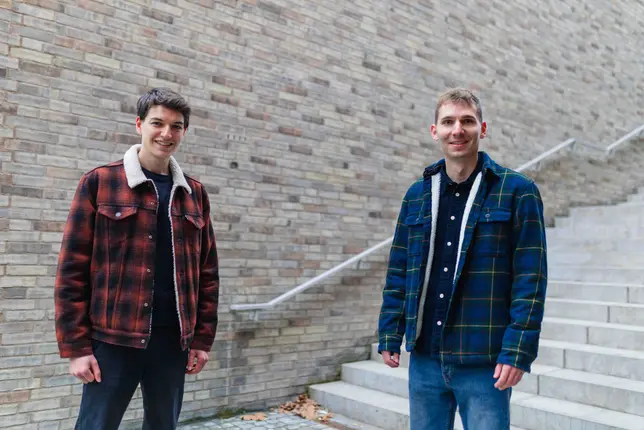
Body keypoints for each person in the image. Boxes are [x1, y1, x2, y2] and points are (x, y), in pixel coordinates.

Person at [377, 88, 547, 430]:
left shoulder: (517, 191)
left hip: (484, 363)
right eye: (449, 122)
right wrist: (389, 332)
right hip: (425, 359)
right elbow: (399, 270)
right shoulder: (416, 196)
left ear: (482, 129)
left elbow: (531, 279)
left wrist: (518, 351)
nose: (458, 130)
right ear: (435, 130)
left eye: (467, 121)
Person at [54, 88, 220, 430]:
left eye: (176, 126)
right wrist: (76, 347)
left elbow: (207, 273)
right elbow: (72, 271)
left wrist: (201, 340)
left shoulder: (194, 194)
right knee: (96, 425)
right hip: (112, 340)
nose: (166, 133)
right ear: (139, 124)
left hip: (173, 341)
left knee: (163, 425)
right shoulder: (100, 182)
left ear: (184, 131)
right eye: (157, 123)